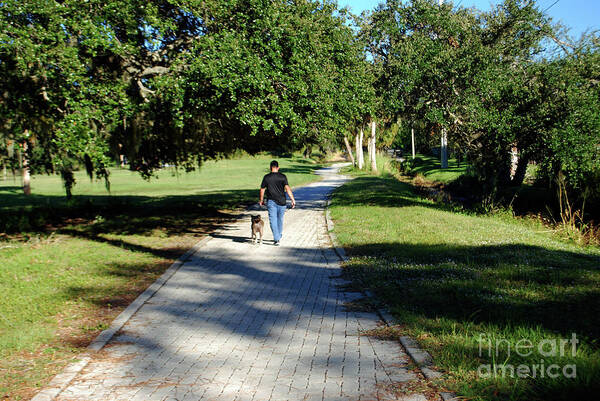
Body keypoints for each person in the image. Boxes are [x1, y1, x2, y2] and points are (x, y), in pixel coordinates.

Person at [259, 160, 296, 246]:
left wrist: (261, 200)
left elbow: (262, 189)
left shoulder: (266, 177)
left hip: (271, 201)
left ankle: (277, 237)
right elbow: (287, 188)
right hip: (282, 202)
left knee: (273, 220)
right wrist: (292, 200)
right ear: (278, 168)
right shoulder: (283, 177)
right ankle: (277, 237)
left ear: (270, 168)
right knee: (280, 220)